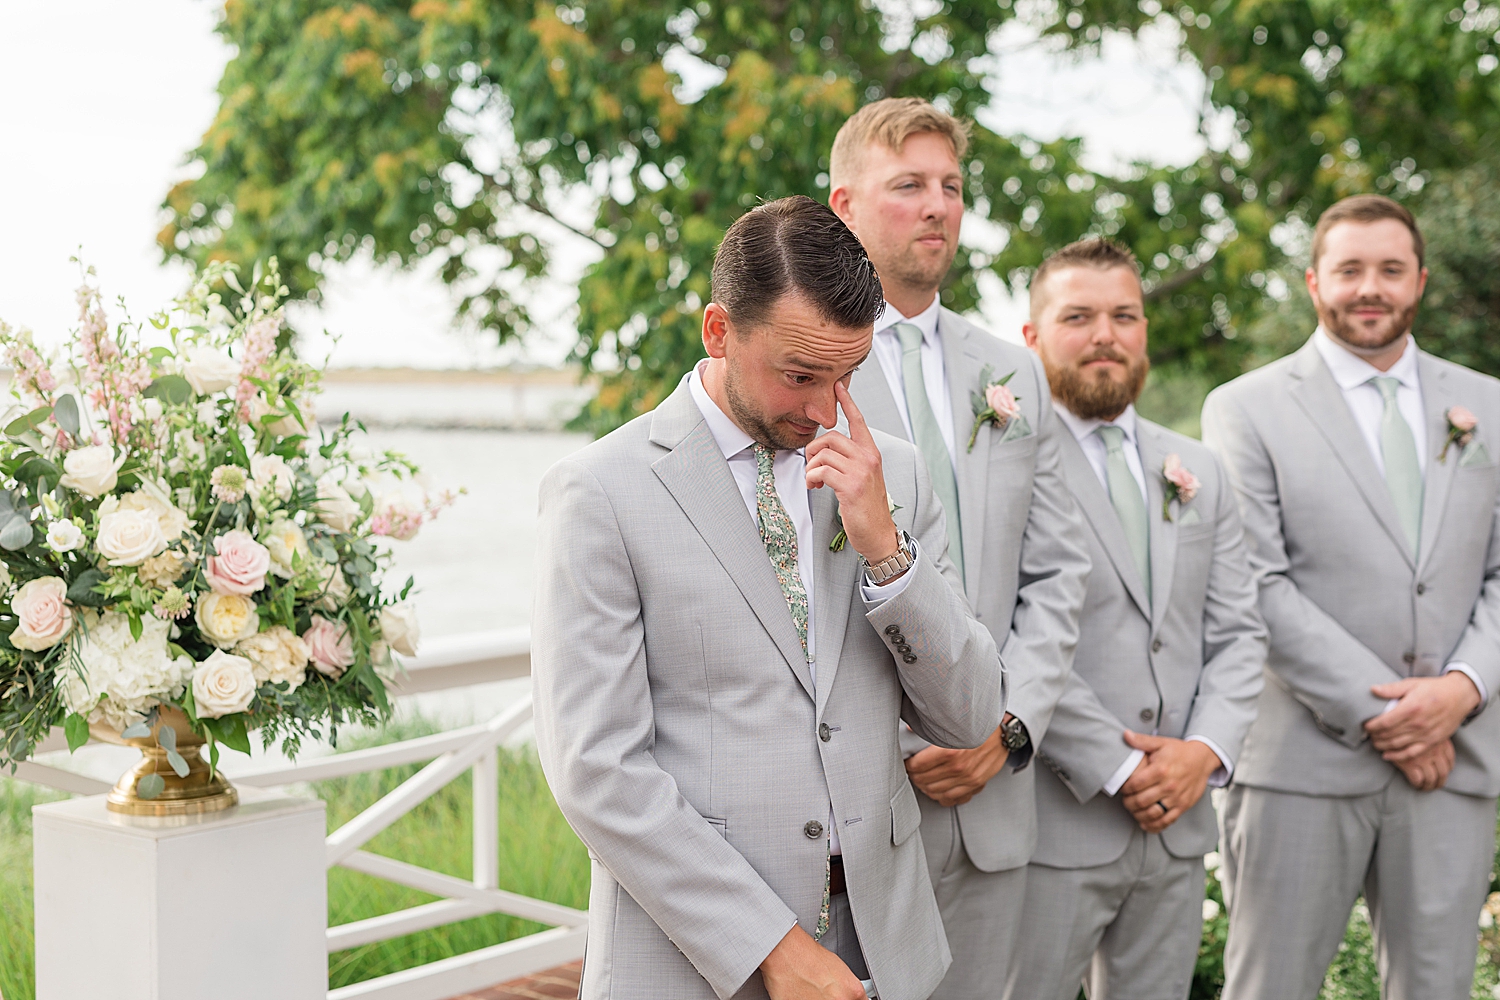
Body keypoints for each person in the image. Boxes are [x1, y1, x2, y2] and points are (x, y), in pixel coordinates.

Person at [532, 195, 1004, 1000]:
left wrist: (887, 555)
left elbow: (968, 715)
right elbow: (596, 767)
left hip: (882, 952)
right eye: (800, 375)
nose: (826, 410)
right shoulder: (598, 493)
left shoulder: (890, 473)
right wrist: (773, 949)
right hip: (687, 960)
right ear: (719, 332)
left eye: (848, 376)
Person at [1202, 193, 1500, 1000]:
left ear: (1421, 281)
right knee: (1272, 987)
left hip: (1454, 763)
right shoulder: (1244, 408)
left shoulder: (1493, 407)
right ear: (1313, 282)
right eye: (1350, 270)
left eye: (1390, 269)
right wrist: (1397, 715)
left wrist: (1460, 691)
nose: (1370, 287)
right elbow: (1253, 582)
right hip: (1300, 760)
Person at [830, 97, 1090, 997]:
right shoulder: (809, 362)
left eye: (951, 185)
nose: (938, 205)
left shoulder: (1010, 372)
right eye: (908, 185)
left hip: (994, 791)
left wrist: (1005, 727)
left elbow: (1060, 571)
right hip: (861, 793)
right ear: (845, 206)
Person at [1000, 238, 1266, 999]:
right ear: (1032, 337)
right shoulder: (1006, 462)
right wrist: (1119, 767)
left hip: (1177, 827)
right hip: (1055, 819)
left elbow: (1240, 633)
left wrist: (1202, 751)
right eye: (1077, 316)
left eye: (1124, 315)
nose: (1105, 335)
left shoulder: (1197, 468)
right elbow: (1003, 633)